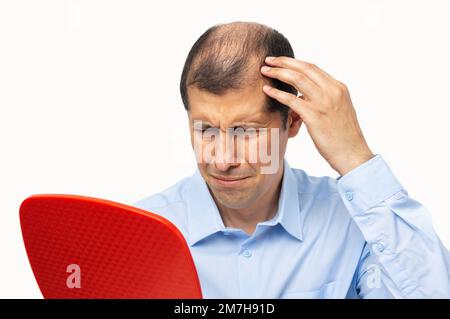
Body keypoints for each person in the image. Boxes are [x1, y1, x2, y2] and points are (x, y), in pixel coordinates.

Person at [133, 21, 450, 298]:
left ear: (294, 122)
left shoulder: (358, 223)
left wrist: (355, 159)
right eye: (205, 130)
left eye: (246, 131)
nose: (223, 159)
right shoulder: (138, 232)